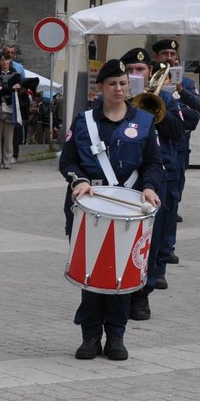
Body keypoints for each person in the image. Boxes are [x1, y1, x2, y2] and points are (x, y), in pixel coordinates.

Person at [59, 57, 165, 361]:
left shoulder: (144, 121)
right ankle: (90, 335)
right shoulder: (84, 122)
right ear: (101, 87)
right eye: (112, 84)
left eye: (123, 83)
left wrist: (149, 186)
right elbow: (67, 161)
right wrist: (78, 180)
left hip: (129, 207)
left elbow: (153, 162)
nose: (119, 89)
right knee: (92, 272)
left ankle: (116, 336)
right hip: (89, 205)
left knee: (122, 274)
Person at [121, 47, 187, 318]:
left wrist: (160, 106)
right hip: (126, 176)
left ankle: (145, 288)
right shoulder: (117, 98)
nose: (136, 74)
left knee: (156, 232)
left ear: (151, 71)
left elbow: (178, 131)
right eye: (131, 70)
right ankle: (124, 286)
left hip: (160, 172)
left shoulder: (166, 97)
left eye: (141, 70)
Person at [151, 37, 200, 267]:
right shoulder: (150, 81)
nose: (169, 58)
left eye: (173, 55)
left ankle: (167, 247)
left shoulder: (186, 82)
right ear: (157, 58)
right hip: (154, 146)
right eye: (164, 54)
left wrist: (182, 92)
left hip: (178, 147)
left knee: (172, 199)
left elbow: (199, 108)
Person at [0, 51, 23, 170]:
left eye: (6, 59)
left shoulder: (16, 74)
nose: (5, 62)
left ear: (10, 61)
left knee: (9, 134)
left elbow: (17, 90)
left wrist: (3, 88)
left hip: (11, 106)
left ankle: (7, 161)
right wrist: (10, 89)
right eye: (2, 60)